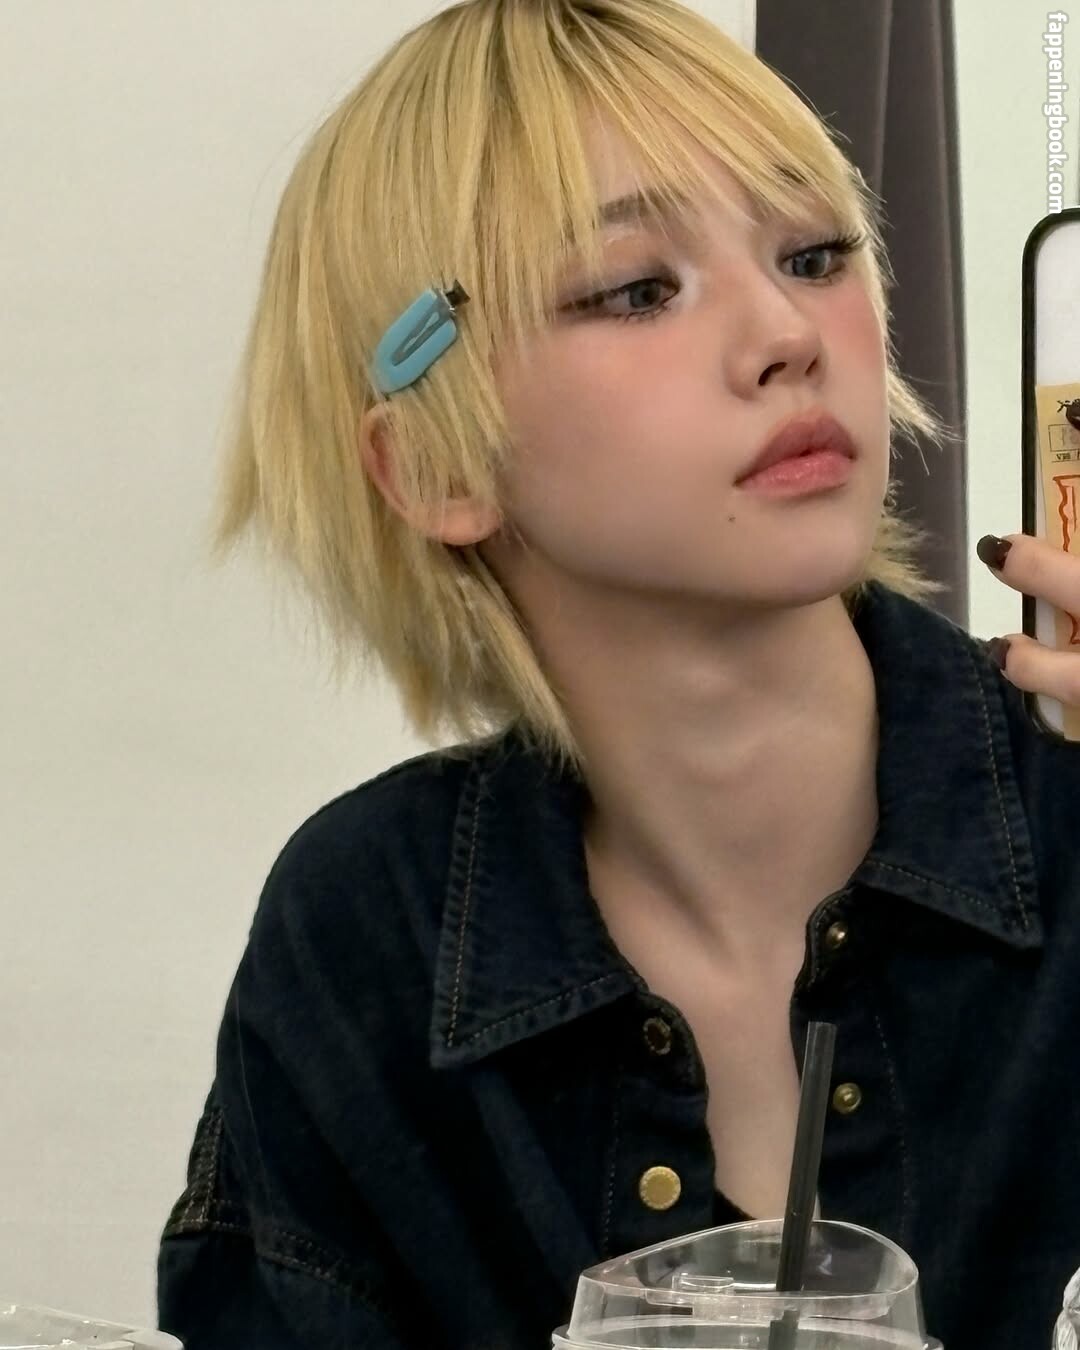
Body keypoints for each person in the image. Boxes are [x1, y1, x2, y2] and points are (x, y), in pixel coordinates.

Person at [155, 1, 1080, 1347]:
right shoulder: (368, 934)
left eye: (814, 252)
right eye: (638, 288)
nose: (787, 331)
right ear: (436, 463)